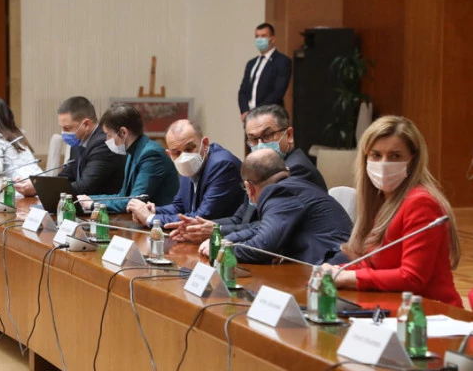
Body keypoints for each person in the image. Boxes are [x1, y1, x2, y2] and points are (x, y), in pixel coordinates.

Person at [323, 116, 462, 307]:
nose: (384, 163)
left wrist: (348, 277)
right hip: (393, 306)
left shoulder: (421, 202)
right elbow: (373, 265)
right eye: (376, 155)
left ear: (413, 160)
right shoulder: (379, 200)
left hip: (432, 313)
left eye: (395, 156)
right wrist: (336, 270)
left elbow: (412, 278)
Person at [167, 104, 326, 242]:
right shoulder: (263, 170)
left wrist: (217, 231)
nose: (260, 144)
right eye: (253, 139)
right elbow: (241, 218)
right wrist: (200, 226)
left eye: (268, 135)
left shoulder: (297, 170)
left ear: (289, 135)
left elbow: (269, 225)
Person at [198, 149, 352, 264]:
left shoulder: (279, 193)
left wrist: (221, 250)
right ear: (286, 171)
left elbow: (262, 247)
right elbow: (260, 228)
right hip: (326, 263)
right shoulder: (292, 187)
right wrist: (226, 240)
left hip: (334, 267)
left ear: (249, 187)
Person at [127, 119, 244, 227]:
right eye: (176, 153)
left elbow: (202, 217)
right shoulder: (186, 166)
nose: (184, 157)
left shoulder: (223, 166)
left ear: (205, 144)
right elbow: (179, 207)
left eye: (189, 149)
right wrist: (152, 211)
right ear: (169, 155)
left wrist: (151, 219)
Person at [76, 103, 179, 214]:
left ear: (123, 132)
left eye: (109, 135)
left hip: (161, 220)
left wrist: (93, 204)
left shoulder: (151, 154)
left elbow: (135, 201)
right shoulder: (133, 151)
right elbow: (122, 196)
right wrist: (88, 199)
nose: (106, 140)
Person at [14, 96, 126, 197]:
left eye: (67, 128)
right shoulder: (78, 141)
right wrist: (37, 185)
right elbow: (66, 177)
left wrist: (40, 189)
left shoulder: (103, 143)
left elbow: (85, 186)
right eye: (62, 128)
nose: (63, 133)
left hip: (103, 208)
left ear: (86, 124)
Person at [238, 23, 292, 123]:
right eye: (257, 36)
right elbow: (243, 91)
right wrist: (245, 111)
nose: (259, 39)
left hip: (270, 116)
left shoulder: (282, 61)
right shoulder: (251, 63)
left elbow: (278, 92)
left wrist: (256, 112)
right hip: (250, 118)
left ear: (273, 39)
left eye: (263, 36)